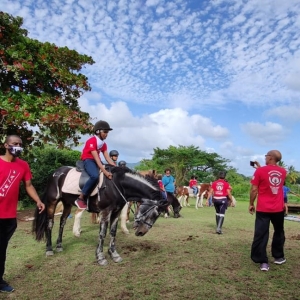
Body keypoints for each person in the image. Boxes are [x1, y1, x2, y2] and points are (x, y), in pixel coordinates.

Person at [0, 135, 45, 293]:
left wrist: (38, 201)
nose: (17, 146)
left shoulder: (23, 165)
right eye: (14, 144)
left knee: (2, 249)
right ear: (6, 145)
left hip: (9, 217)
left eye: (20, 144)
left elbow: (29, 185)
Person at [249, 150, 287, 272]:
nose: (265, 157)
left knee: (261, 234)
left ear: (270, 157)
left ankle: (263, 262)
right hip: (278, 209)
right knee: (279, 232)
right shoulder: (283, 171)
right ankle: (278, 257)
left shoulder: (260, 171)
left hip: (263, 208)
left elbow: (254, 189)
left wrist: (251, 203)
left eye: (266, 156)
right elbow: (273, 180)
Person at [75, 120, 116, 209]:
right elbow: (96, 158)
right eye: (105, 132)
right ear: (98, 132)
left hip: (96, 161)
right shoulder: (92, 141)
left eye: (107, 132)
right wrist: (105, 171)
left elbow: (107, 158)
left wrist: (115, 167)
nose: (106, 134)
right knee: (95, 176)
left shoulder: (103, 144)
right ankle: (81, 197)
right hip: (88, 160)